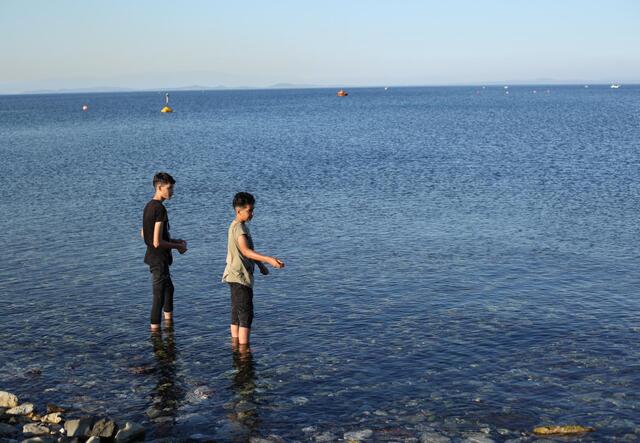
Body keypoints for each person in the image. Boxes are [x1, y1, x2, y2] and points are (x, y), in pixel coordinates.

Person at [222, 192, 284, 346]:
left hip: (233, 276)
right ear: (239, 211)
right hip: (240, 277)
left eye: (252, 210)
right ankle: (244, 350)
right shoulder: (240, 229)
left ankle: (236, 345)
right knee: (246, 314)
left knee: (236, 313)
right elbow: (245, 251)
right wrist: (268, 259)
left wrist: (260, 265)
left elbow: (247, 251)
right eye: (249, 210)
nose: (252, 214)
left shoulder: (236, 225)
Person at [141, 172, 187, 332]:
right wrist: (178, 247)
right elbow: (157, 241)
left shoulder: (148, 206)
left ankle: (169, 327)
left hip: (154, 258)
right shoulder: (160, 209)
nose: (172, 191)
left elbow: (143, 232)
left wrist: (174, 241)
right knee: (158, 297)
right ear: (159, 188)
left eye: (173, 188)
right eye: (169, 188)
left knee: (169, 290)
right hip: (158, 260)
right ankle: (156, 337)